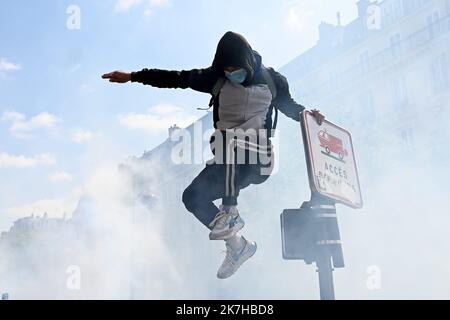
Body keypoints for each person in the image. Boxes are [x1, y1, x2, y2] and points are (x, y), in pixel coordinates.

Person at [102, 31, 325, 279]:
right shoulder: (215, 78)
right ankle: (238, 246)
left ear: (248, 63)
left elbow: (290, 107)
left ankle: (231, 212)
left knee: (229, 140)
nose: (232, 75)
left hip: (258, 160)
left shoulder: (274, 81)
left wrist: (308, 114)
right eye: (227, 70)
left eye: (236, 69)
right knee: (191, 197)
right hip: (228, 161)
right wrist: (133, 77)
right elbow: (176, 78)